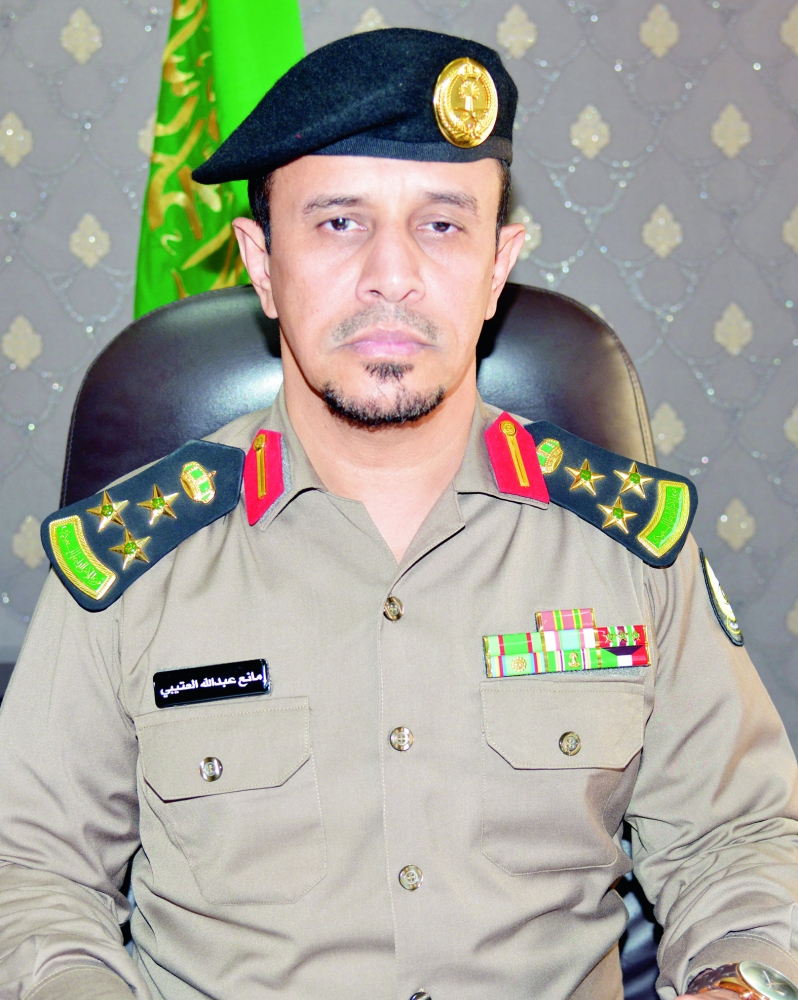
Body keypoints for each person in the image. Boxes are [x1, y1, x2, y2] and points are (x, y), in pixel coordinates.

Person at [0, 26, 797, 1000]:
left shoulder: (626, 549)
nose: (392, 274)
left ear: (498, 264)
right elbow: (29, 869)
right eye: (339, 222)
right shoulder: (134, 562)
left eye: (443, 225)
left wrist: (741, 982)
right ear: (261, 262)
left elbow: (739, 838)